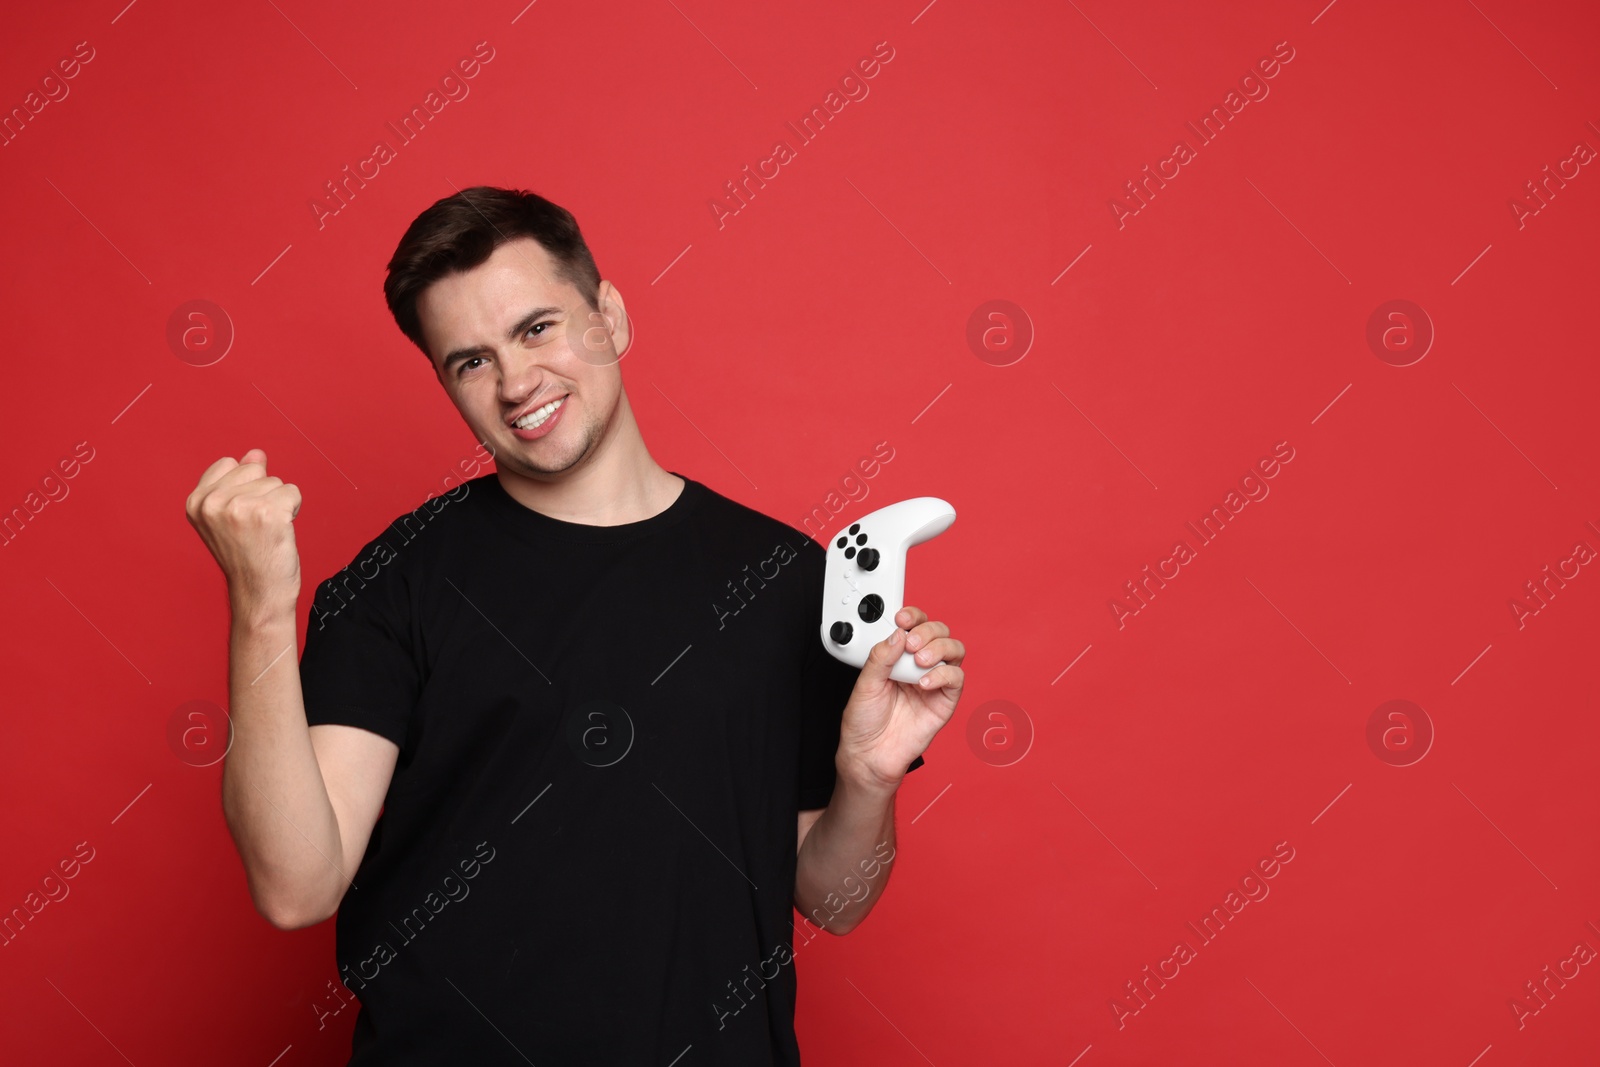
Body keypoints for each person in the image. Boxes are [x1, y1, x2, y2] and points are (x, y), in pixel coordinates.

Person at [184, 186, 966, 1065]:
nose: (517, 383)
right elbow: (295, 886)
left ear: (611, 318)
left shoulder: (785, 581)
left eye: (536, 328)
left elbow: (837, 901)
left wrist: (867, 779)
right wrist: (258, 604)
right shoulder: (391, 585)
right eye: (469, 362)